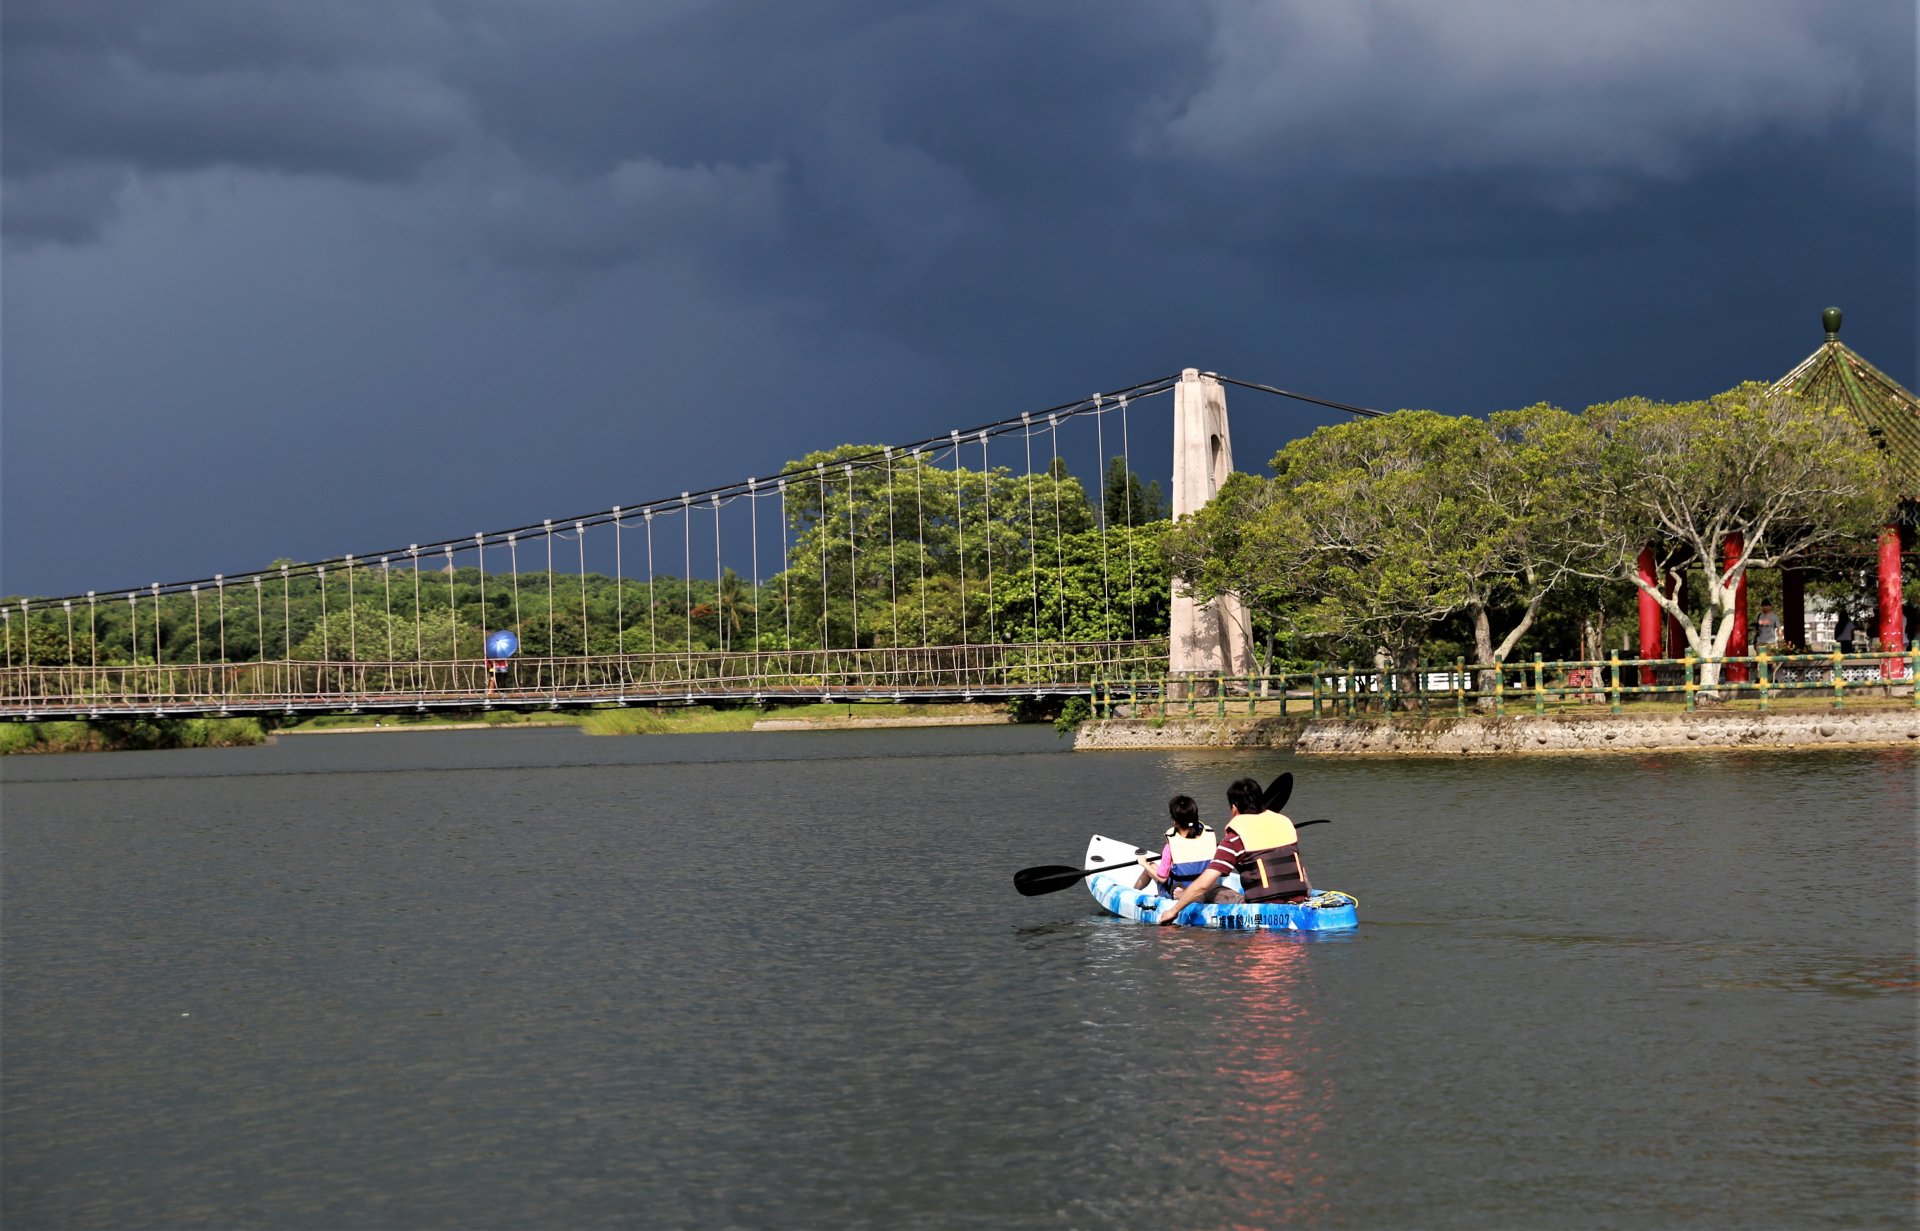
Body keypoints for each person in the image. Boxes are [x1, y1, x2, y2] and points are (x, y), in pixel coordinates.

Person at [1155, 777, 1308, 925]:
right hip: (1300, 897)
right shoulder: (1284, 825)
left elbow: (1203, 883)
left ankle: (1184, 896)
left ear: (1234, 808)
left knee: (1211, 888)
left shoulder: (1234, 839)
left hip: (1263, 907)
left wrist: (1174, 910)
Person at [1134, 795, 1215, 898]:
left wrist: (1144, 863)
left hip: (1177, 892)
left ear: (1175, 822)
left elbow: (1162, 878)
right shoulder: (1208, 836)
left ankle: (1132, 893)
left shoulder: (1171, 844)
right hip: (1204, 889)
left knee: (1150, 866)